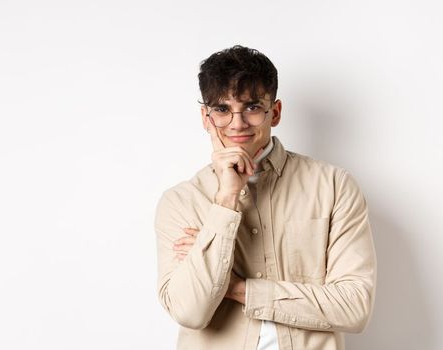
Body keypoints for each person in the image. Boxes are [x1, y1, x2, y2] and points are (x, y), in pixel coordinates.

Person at [153, 45, 376, 350]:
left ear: (276, 112)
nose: (237, 123)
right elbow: (189, 312)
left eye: (252, 107)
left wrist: (236, 288)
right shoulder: (180, 202)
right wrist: (226, 199)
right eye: (222, 109)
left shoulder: (334, 186)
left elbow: (354, 306)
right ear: (205, 117)